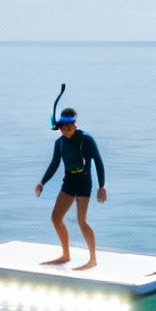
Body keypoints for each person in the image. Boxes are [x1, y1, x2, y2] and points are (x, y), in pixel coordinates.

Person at [34, 106, 106, 270]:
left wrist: (102, 186)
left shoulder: (86, 139)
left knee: (81, 221)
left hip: (84, 181)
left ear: (75, 124)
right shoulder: (59, 143)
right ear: (58, 128)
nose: (66, 131)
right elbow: (54, 164)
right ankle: (65, 255)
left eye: (69, 127)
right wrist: (42, 182)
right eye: (63, 128)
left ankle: (92, 259)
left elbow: (98, 161)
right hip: (69, 181)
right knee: (56, 217)